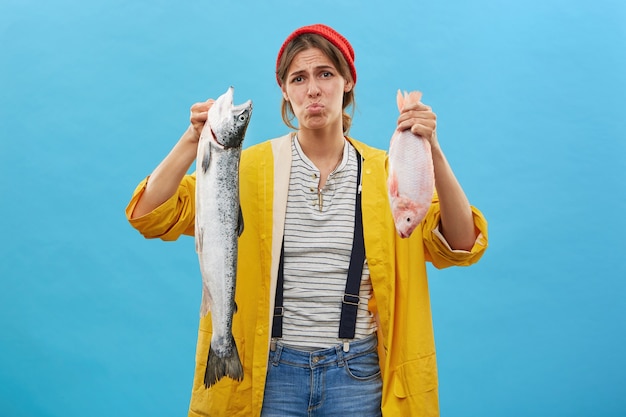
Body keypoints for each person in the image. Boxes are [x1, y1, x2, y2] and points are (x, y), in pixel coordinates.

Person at [125, 23, 488, 417]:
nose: (312, 89)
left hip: (360, 375)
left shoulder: (389, 172)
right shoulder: (247, 168)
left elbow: (461, 243)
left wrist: (432, 150)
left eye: (325, 74)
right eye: (298, 78)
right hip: (270, 375)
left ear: (348, 81)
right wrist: (191, 143)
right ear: (285, 90)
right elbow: (149, 215)